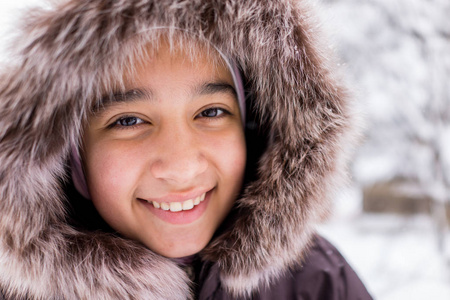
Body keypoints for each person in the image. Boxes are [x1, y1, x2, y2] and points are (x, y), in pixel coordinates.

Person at [0, 0, 372, 299]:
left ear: (254, 128)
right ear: (67, 156)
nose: (181, 168)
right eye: (128, 121)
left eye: (211, 112)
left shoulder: (315, 280)